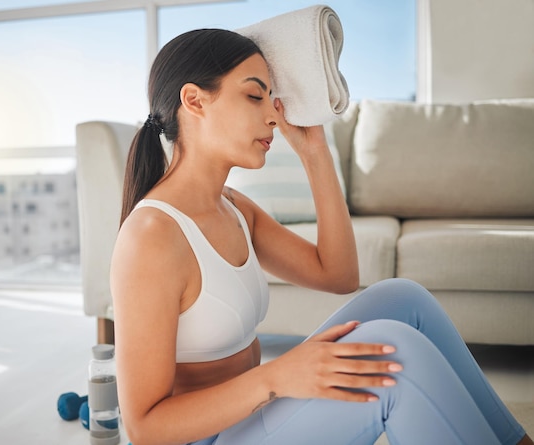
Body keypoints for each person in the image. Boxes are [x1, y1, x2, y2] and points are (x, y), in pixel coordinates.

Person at [109, 28, 531, 445]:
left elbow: (339, 276)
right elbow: (145, 427)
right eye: (255, 96)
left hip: (251, 416)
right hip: (209, 437)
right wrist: (275, 377)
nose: (273, 116)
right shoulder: (152, 236)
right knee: (393, 351)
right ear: (194, 100)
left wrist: (315, 155)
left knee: (404, 299)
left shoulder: (233, 207)